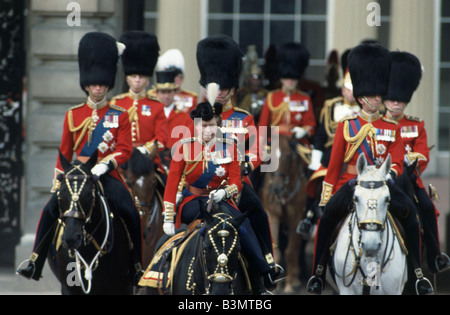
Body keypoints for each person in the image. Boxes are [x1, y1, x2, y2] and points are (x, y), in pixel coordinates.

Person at [306, 43, 434, 295]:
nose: (378, 99)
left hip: (384, 183)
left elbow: (397, 159)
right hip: (350, 182)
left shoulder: (391, 126)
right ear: (363, 95)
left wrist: (391, 175)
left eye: (379, 95)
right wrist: (328, 194)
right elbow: (333, 166)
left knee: (411, 216)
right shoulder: (347, 125)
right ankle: (318, 273)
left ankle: (418, 273)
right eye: (374, 95)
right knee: (328, 219)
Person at [17, 32, 143, 281]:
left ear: (108, 83)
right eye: (94, 84)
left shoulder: (119, 115)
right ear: (86, 84)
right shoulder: (73, 115)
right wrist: (58, 182)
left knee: (130, 210)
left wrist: (105, 166)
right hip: (77, 177)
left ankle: (137, 265)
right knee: (50, 209)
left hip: (106, 176)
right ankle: (35, 261)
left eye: (102, 84)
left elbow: (125, 149)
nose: (98, 88)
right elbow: (64, 151)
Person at [162, 101, 279, 291]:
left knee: (245, 226)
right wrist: (167, 217)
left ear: (218, 125)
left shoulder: (230, 146)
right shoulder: (183, 147)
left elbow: (237, 182)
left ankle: (262, 272)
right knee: (169, 241)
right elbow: (172, 184)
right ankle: (160, 274)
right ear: (196, 126)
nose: (208, 130)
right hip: (193, 201)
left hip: (222, 200)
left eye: (212, 125)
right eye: (203, 125)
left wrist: (224, 192)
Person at [196, 35, 278, 280]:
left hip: (236, 185)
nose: (219, 92)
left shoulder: (243, 118)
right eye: (215, 87)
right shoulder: (196, 117)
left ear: (232, 87)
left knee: (259, 214)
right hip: (202, 184)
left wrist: (245, 166)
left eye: (224, 87)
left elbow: (257, 152)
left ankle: (267, 263)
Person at [383, 51, 450, 274]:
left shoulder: (416, 125)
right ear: (384, 99)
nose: (396, 104)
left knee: (428, 208)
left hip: (409, 181)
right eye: (392, 99)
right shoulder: (374, 124)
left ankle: (434, 258)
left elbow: (423, 153)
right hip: (384, 181)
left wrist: (414, 163)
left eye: (400, 100)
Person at [299, 64, 360, 237]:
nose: (351, 94)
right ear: (342, 90)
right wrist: (315, 161)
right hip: (330, 154)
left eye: (354, 90)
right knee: (314, 182)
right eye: (348, 89)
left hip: (354, 156)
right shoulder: (330, 106)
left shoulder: (365, 110)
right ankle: (308, 218)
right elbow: (320, 135)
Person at [111, 31, 167, 160]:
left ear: (147, 80)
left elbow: (161, 139)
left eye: (141, 76)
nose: (137, 80)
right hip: (121, 158)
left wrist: (143, 150)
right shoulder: (116, 103)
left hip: (148, 159)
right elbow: (111, 134)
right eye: (133, 76)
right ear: (127, 79)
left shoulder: (157, 106)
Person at [259, 42, 316, 153]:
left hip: (297, 141)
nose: (289, 82)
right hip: (274, 141)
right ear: (281, 78)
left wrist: (304, 131)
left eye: (293, 78)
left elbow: (311, 125)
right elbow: (263, 125)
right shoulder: (272, 97)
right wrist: (261, 144)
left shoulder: (305, 99)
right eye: (286, 78)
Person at [151, 69, 193, 170]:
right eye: (163, 92)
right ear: (156, 93)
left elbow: (189, 145)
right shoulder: (151, 116)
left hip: (176, 166)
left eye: (169, 92)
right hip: (152, 164)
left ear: (175, 92)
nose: (166, 96)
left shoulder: (185, 117)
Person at [153, 48, 198, 113]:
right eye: (170, 76)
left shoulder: (191, 98)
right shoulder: (153, 94)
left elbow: (197, 120)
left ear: (182, 78)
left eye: (177, 76)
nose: (174, 79)